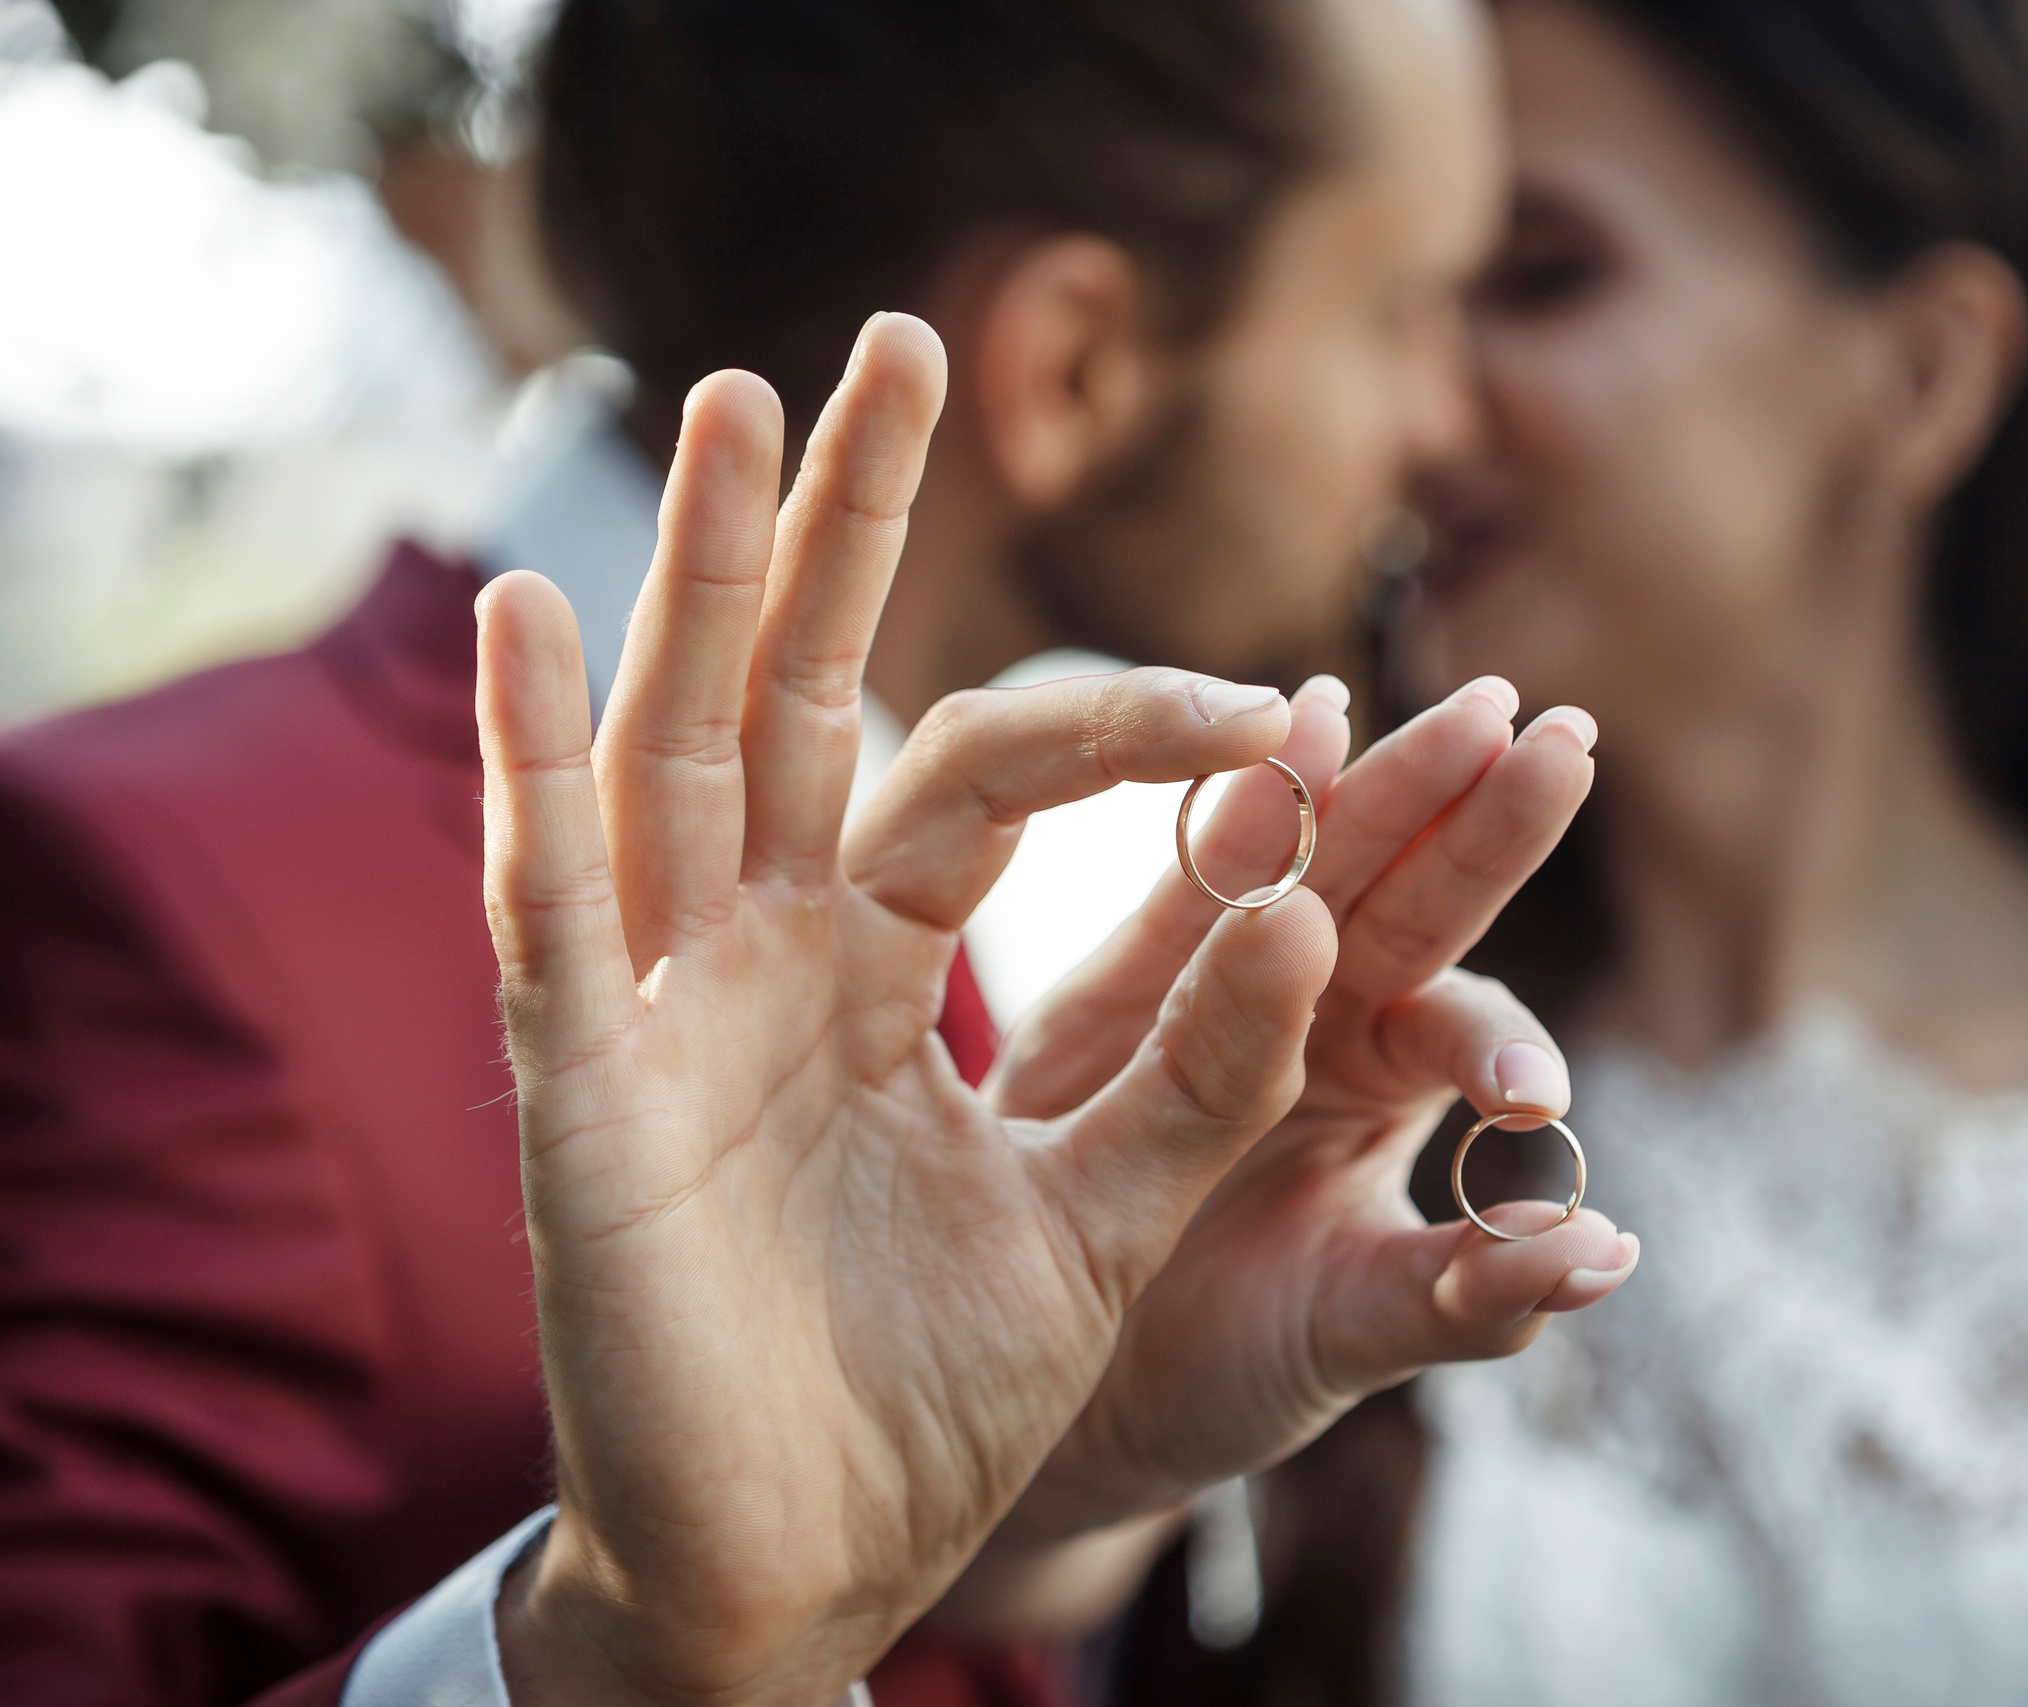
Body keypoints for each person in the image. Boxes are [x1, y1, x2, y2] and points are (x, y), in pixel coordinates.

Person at [0, 1, 1641, 1701]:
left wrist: (1056, 1490)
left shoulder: (1026, 896)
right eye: (1398, 313)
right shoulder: (155, 898)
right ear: (1075, 363)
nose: (1453, 421)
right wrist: (621, 1655)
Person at [1174, 2, 2028, 1704]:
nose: (1423, 397)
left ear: (1921, 374)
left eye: (1540, 274)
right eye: (1408, 293)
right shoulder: (1329, 1110)